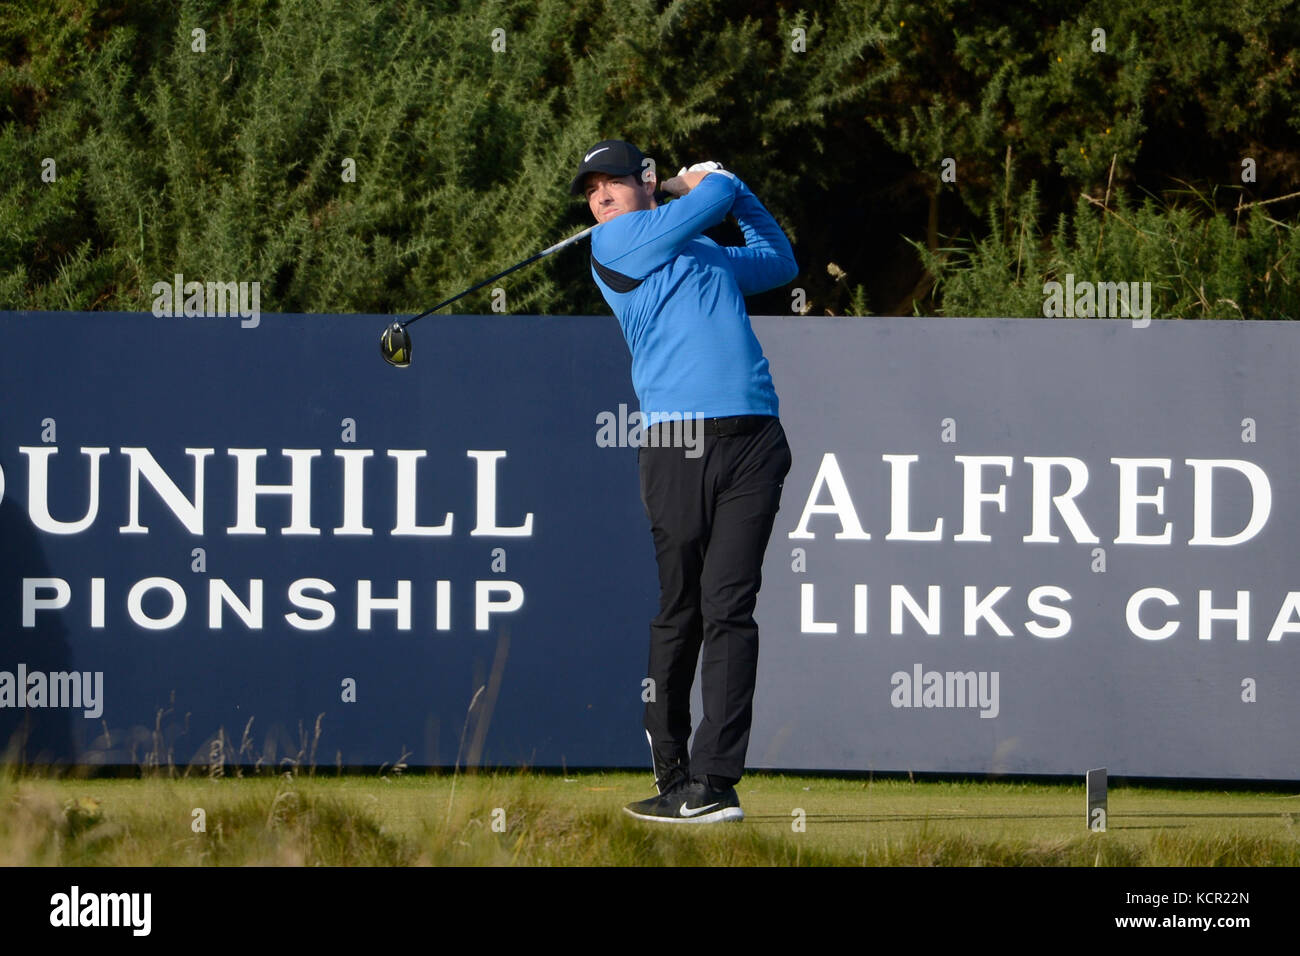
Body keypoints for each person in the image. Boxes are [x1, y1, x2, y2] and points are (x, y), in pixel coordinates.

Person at [569, 139, 796, 823]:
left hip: (754, 439)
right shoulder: (616, 246)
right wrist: (711, 180)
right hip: (677, 445)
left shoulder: (704, 254)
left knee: (730, 608)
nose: (599, 197)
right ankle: (673, 774)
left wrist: (729, 188)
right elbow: (716, 198)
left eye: (611, 182)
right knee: (683, 609)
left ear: (642, 182)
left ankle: (715, 782)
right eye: (590, 190)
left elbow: (781, 260)